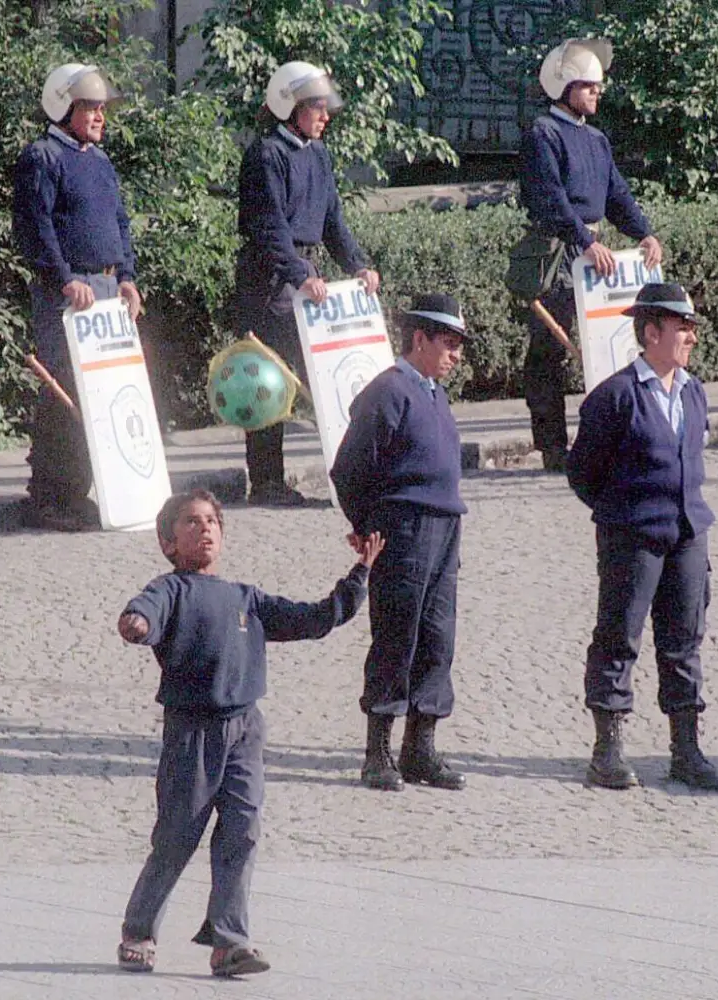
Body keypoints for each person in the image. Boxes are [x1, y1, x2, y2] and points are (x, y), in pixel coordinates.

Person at [115, 488, 382, 977]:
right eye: (191, 522)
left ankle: (229, 942)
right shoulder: (170, 590)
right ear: (168, 542)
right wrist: (136, 623)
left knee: (243, 830)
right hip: (192, 733)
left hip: (245, 732)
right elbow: (145, 612)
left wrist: (359, 575)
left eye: (212, 521)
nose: (205, 529)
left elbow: (315, 617)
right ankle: (138, 929)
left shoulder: (247, 599)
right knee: (176, 836)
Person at [566, 283, 718, 791]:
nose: (691, 337)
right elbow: (582, 473)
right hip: (632, 538)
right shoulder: (615, 397)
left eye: (692, 328)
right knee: (618, 638)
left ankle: (686, 749)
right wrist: (622, 514)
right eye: (682, 327)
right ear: (651, 332)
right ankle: (607, 750)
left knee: (684, 642)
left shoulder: (694, 392)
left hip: (687, 535)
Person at [330, 294, 469, 792]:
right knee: (396, 635)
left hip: (445, 527)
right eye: (448, 343)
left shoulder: (434, 393)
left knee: (437, 637)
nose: (456, 353)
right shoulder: (388, 392)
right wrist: (366, 525)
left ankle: (421, 746)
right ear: (419, 339)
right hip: (404, 529)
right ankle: (379, 751)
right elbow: (348, 468)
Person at [235, 61, 380, 506]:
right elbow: (269, 226)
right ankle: (266, 482)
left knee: (327, 378)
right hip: (270, 279)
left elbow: (333, 219)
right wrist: (299, 274)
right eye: (316, 108)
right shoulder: (266, 154)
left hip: (304, 273)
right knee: (270, 380)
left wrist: (358, 265)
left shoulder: (318, 153)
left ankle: (353, 477)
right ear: (291, 107)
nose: (325, 116)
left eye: (325, 108)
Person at [518, 37, 662, 472]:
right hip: (559, 254)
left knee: (612, 348)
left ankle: (614, 436)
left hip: (594, 255)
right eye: (588, 86)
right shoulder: (542, 133)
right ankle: (552, 447)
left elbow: (617, 195)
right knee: (549, 350)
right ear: (565, 86)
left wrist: (645, 233)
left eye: (598, 86)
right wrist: (586, 240)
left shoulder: (597, 140)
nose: (597, 92)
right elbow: (551, 200)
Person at [13, 63, 142, 532]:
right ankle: (47, 494)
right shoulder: (42, 157)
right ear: (64, 106)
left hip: (106, 292)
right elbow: (36, 228)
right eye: (90, 107)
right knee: (62, 390)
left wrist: (126, 277)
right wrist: (64, 278)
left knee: (102, 393)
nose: (99, 116)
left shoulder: (100, 161)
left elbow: (120, 224)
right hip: (67, 296)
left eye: (102, 108)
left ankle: (78, 491)